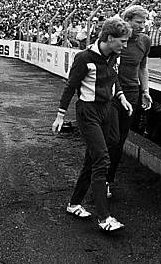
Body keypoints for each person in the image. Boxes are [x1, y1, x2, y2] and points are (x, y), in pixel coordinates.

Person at [52, 17, 134, 233]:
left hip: (108, 109)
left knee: (97, 156)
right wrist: (60, 115)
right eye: (122, 41)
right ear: (109, 38)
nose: (125, 46)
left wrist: (122, 96)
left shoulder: (114, 56)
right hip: (88, 112)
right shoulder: (83, 58)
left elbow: (114, 77)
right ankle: (104, 217)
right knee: (101, 160)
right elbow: (70, 87)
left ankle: (74, 204)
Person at [106, 6, 152, 199]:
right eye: (138, 22)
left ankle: (109, 179)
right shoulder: (116, 36)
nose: (142, 26)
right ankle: (97, 176)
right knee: (110, 138)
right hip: (111, 93)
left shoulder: (145, 41)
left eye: (144, 22)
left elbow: (143, 68)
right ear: (127, 20)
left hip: (132, 94)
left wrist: (145, 91)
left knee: (120, 140)